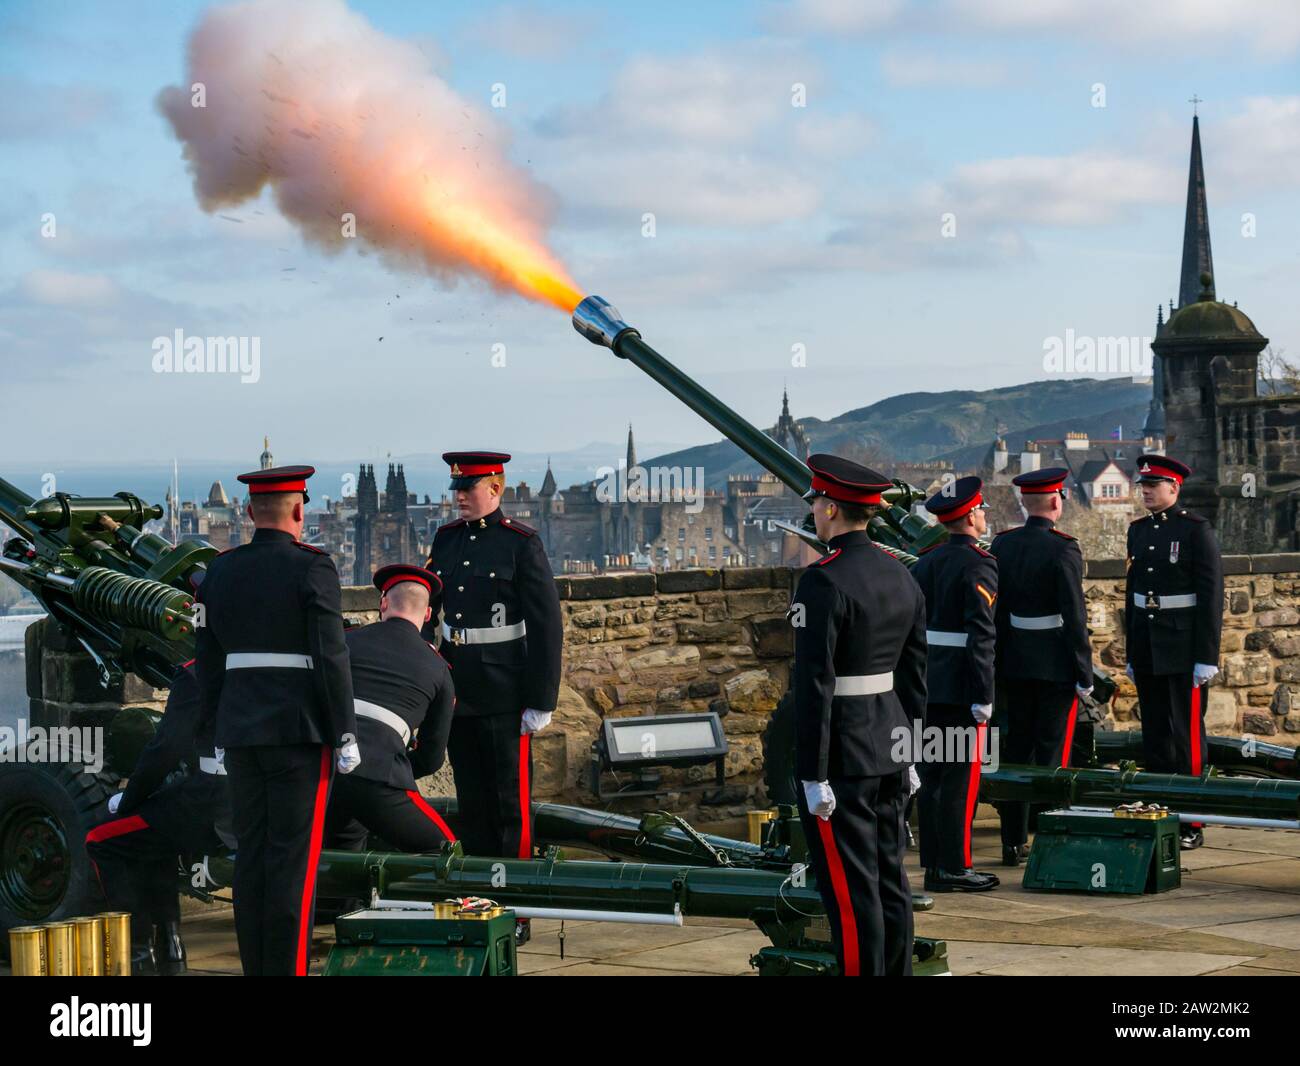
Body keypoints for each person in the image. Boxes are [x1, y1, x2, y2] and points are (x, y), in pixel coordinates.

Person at [194, 464, 357, 976]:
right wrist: (345, 732)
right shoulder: (313, 568)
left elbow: (208, 662)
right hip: (299, 734)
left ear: (248, 513)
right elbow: (331, 660)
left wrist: (214, 730)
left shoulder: (219, 571)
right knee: (293, 864)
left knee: (252, 859)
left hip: (240, 732)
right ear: (300, 510)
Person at [790, 454, 926, 976]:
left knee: (850, 891)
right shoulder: (901, 573)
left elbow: (814, 684)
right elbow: (916, 674)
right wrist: (912, 750)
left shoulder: (822, 581)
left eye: (817, 505)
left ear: (828, 508)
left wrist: (811, 774)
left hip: (843, 756)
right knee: (891, 877)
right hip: (891, 745)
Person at [423, 451, 562, 943]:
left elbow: (546, 625)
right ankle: (480, 903)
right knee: (474, 805)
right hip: (459, 690)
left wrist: (541, 698)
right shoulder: (446, 540)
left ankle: (516, 908)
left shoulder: (520, 543)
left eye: (469, 487)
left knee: (510, 805)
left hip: (506, 694)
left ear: (497, 488)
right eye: (456, 487)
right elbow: (429, 614)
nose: (459, 495)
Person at [86, 662, 233, 975]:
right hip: (254, 792)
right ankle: (170, 947)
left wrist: (129, 801)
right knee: (156, 833)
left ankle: (139, 955)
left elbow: (167, 747)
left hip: (211, 799)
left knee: (102, 839)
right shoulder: (254, 659)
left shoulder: (198, 672)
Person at [990, 467, 1093, 866]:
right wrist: (1083, 672)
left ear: (1024, 503)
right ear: (1056, 501)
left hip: (1014, 662)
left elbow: (996, 612)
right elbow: (1075, 617)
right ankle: (1050, 837)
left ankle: (1012, 840)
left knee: (1015, 751)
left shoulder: (1003, 544)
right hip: (1053, 666)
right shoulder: (1063, 548)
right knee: (1052, 752)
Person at [1125, 454, 1223, 850]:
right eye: (1143, 485)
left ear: (1174, 488)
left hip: (1183, 648)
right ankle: (1160, 811)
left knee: (1185, 736)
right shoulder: (1137, 531)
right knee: (1156, 736)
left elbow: (1211, 596)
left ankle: (1191, 821)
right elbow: (1133, 598)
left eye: (1154, 485)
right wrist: (1132, 652)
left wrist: (1207, 656)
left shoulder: (1196, 531)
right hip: (1149, 645)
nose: (1146, 491)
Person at [324, 564, 457, 853]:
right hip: (382, 778)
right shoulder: (438, 669)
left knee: (333, 859)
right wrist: (399, 767)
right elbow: (433, 756)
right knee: (445, 852)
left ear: (383, 603)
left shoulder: (345, 642)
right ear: (427, 614)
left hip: (325, 773)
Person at [910, 476, 1000, 892]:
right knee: (962, 781)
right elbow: (981, 635)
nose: (984, 516)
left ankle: (933, 864)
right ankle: (956, 866)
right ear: (968, 516)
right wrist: (983, 694)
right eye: (980, 510)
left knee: (932, 779)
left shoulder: (925, 560)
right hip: (963, 687)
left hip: (929, 684)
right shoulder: (979, 563)